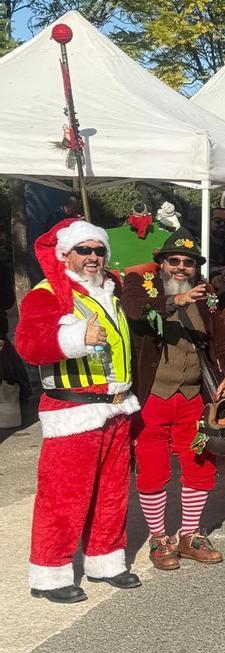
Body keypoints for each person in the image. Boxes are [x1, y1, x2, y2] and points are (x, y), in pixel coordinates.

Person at [15, 220, 141, 602]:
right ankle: (49, 573)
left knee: (112, 491)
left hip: (116, 407)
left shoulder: (110, 291)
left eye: (98, 250)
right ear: (64, 254)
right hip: (74, 410)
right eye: (83, 250)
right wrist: (74, 338)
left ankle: (104, 560)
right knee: (64, 496)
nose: (92, 257)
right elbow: (29, 345)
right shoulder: (47, 293)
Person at [122, 229, 225, 570]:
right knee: (153, 469)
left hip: (193, 397)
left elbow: (223, 342)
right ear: (161, 263)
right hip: (152, 398)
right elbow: (134, 311)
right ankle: (160, 538)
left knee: (199, 465)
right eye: (173, 261)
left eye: (188, 263)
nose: (180, 268)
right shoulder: (141, 286)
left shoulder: (206, 296)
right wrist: (175, 301)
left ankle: (190, 535)